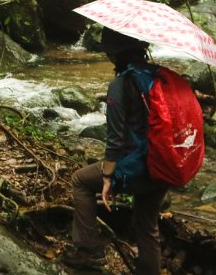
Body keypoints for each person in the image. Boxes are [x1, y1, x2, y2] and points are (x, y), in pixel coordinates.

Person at [64, 28, 170, 274]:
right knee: (147, 225)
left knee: (80, 180)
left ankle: (88, 251)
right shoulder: (159, 76)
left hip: (137, 167)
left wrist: (109, 178)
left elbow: (115, 141)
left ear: (113, 53)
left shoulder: (121, 85)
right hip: (163, 163)